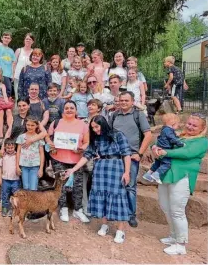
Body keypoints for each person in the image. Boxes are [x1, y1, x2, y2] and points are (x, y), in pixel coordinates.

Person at [65, 115, 132, 243]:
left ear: (103, 123)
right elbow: (87, 156)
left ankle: (120, 230)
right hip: (100, 168)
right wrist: (73, 169)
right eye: (93, 128)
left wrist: (127, 172)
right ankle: (105, 224)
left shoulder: (118, 135)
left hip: (116, 167)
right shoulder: (95, 139)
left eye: (97, 126)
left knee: (118, 196)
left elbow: (126, 154)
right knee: (102, 196)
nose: (95, 130)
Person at [153, 112, 207, 255]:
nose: (190, 127)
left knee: (177, 211)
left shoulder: (202, 141)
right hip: (167, 175)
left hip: (183, 177)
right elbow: (161, 141)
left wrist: (165, 152)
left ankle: (181, 244)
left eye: (194, 125)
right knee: (165, 207)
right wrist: (155, 147)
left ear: (202, 128)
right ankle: (173, 235)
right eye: (189, 123)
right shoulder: (179, 136)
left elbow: (187, 153)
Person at [109, 91, 152, 228]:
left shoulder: (138, 115)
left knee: (130, 186)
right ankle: (115, 211)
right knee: (115, 184)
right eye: (121, 100)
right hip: (115, 155)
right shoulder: (114, 115)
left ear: (132, 101)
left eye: (126, 100)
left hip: (132, 155)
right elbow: (108, 134)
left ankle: (130, 214)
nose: (123, 103)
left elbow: (148, 135)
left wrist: (139, 153)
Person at [46, 100, 90, 223]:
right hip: (58, 159)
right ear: (63, 110)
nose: (69, 110)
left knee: (78, 185)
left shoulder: (83, 125)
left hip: (76, 160)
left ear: (76, 110)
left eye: (72, 108)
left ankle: (78, 210)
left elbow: (87, 142)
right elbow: (48, 138)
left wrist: (82, 148)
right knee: (61, 185)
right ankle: (63, 208)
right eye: (66, 108)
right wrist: (51, 146)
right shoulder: (56, 123)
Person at [143, 113, 184, 184]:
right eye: (177, 124)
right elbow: (173, 139)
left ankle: (148, 175)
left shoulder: (164, 129)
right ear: (173, 123)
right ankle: (156, 175)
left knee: (157, 163)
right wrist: (181, 144)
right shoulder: (169, 131)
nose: (178, 126)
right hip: (165, 149)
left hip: (159, 149)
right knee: (167, 164)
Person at [16, 116, 45, 191]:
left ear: (37, 126)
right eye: (28, 125)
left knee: (33, 188)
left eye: (32, 125)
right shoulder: (21, 137)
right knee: (25, 187)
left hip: (35, 166)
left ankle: (33, 202)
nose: (30, 127)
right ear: (25, 124)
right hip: (24, 166)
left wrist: (41, 168)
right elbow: (18, 152)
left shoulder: (39, 138)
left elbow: (41, 154)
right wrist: (17, 166)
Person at [0, 138, 20, 217]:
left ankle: (13, 209)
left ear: (15, 147)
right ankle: (5, 208)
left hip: (15, 180)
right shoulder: (3, 156)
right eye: (8, 148)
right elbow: (0, 167)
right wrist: (0, 178)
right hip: (5, 180)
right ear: (5, 148)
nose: (10, 149)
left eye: (12, 148)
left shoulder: (17, 155)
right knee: (5, 194)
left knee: (15, 195)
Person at [0, 32, 16, 97]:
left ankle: (6, 103)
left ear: (10, 40)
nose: (6, 39)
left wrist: (13, 74)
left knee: (8, 89)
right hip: (1, 73)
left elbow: (13, 63)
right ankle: (2, 103)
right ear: (2, 38)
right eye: (5, 37)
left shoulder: (11, 51)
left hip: (9, 74)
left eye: (8, 38)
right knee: (4, 89)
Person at [13, 33, 34, 101]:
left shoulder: (34, 52)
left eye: (30, 39)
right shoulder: (19, 50)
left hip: (29, 78)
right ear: (24, 40)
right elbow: (14, 63)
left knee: (29, 96)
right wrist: (13, 74)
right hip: (17, 76)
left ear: (32, 41)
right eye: (27, 39)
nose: (28, 40)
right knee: (17, 95)